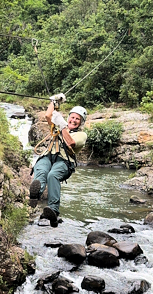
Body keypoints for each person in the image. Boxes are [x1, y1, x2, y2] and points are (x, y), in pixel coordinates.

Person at [29, 94, 87, 227]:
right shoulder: (61, 126)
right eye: (72, 117)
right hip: (49, 155)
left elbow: (70, 143)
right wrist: (53, 101)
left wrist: (62, 126)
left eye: (77, 119)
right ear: (68, 117)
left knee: (52, 175)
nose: (74, 120)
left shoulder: (82, 135)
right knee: (42, 169)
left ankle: (53, 209)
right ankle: (35, 194)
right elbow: (48, 116)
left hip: (64, 161)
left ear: (81, 122)